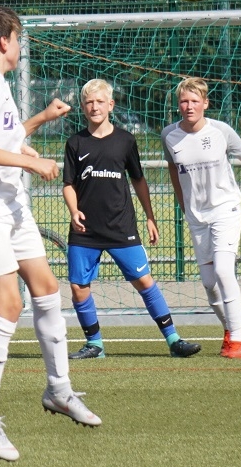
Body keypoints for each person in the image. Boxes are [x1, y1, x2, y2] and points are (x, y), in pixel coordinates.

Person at [0, 4, 101, 463]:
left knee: (47, 288)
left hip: (9, 203)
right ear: (3, 42)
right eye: (17, 37)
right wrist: (31, 162)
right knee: (8, 304)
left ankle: (59, 388)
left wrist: (32, 130)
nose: (19, 44)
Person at [62, 79, 201, 360]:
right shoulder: (75, 142)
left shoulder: (125, 140)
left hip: (121, 226)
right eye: (89, 102)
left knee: (144, 281)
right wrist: (74, 210)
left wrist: (150, 216)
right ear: (83, 107)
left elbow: (138, 180)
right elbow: (68, 184)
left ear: (111, 105)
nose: (94, 107)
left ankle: (174, 340)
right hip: (85, 229)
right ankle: (95, 345)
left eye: (100, 102)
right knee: (78, 287)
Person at [162, 77, 241, 359]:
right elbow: (173, 170)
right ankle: (229, 328)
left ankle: (237, 341)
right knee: (208, 283)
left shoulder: (221, 131)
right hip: (197, 217)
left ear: (205, 103)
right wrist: (184, 205)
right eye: (184, 101)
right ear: (178, 105)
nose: (189, 106)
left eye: (195, 101)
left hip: (225, 210)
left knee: (224, 271)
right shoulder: (169, 135)